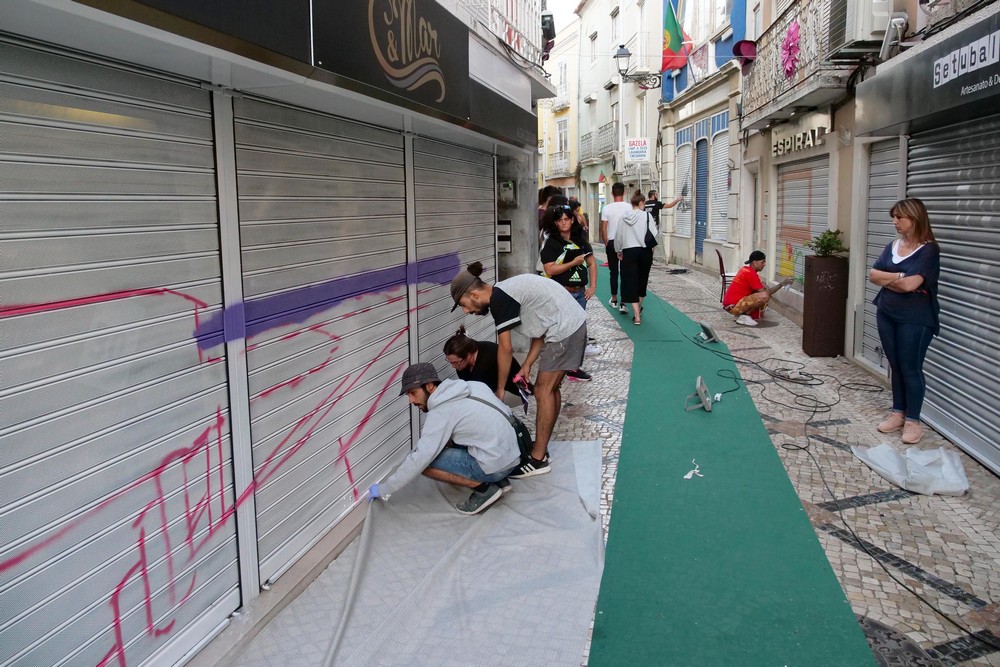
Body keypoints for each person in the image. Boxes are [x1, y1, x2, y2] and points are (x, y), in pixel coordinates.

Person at [450, 261, 587, 477]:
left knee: (543, 390)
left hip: (565, 330)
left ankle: (538, 459)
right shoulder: (505, 291)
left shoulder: (499, 300)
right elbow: (539, 331)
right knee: (550, 390)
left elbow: (505, 349)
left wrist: (501, 389)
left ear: (474, 294)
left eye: (463, 304)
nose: (466, 311)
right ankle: (541, 451)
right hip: (566, 326)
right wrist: (526, 365)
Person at [367, 363, 521, 515]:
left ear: (429, 386)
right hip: (512, 456)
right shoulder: (473, 386)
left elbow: (420, 458)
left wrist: (383, 489)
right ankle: (500, 480)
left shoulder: (441, 413)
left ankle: (484, 489)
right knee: (455, 438)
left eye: (413, 392)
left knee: (425, 463)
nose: (411, 401)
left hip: (496, 466)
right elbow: (505, 412)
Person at [868, 198, 941, 445]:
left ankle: (913, 420)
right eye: (894, 217)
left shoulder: (929, 249)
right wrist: (899, 276)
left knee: (911, 367)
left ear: (915, 218)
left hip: (916, 318)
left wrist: (893, 280)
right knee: (895, 364)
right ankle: (897, 412)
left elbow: (912, 284)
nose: (895, 222)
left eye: (900, 217)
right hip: (887, 312)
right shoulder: (893, 246)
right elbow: (873, 274)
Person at [540, 203, 598, 381]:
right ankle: (558, 365)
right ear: (555, 223)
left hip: (580, 293)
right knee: (560, 330)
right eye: (560, 220)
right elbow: (550, 270)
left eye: (566, 219)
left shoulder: (580, 240)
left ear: (572, 220)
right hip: (561, 292)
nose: (564, 223)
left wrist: (593, 286)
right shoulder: (552, 243)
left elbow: (592, 264)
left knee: (579, 331)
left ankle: (573, 368)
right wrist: (572, 263)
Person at [443, 325, 523, 398]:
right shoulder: (461, 362)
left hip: (515, 385)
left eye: (455, 362)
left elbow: (484, 394)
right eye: (450, 362)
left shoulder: (487, 359)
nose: (453, 366)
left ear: (468, 355)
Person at [615, 191, 657, 325]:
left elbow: (618, 236)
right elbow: (654, 234)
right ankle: (638, 309)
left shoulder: (623, 217)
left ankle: (637, 316)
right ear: (640, 203)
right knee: (642, 281)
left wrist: (618, 251)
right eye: (644, 203)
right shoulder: (647, 216)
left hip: (629, 252)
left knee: (631, 282)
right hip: (645, 252)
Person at [722, 251, 792, 326]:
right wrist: (782, 284)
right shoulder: (751, 274)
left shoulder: (745, 270)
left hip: (730, 305)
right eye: (762, 262)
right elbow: (765, 293)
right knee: (764, 296)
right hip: (733, 306)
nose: (764, 264)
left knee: (762, 293)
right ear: (755, 263)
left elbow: (760, 289)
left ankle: (740, 314)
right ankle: (744, 315)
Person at [600, 182, 631, 314]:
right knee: (625, 273)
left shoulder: (606, 208)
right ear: (624, 193)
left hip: (612, 242)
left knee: (613, 272)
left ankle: (614, 299)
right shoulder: (629, 207)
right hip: (625, 243)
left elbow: (604, 228)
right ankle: (623, 302)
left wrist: (607, 242)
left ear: (612, 193)